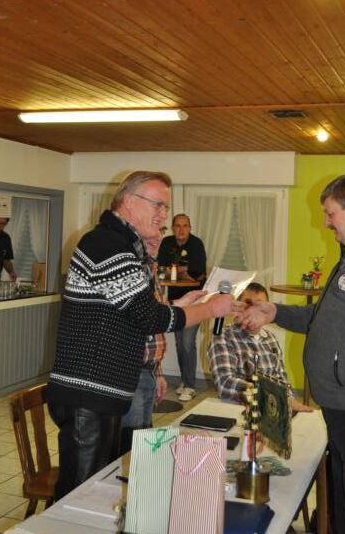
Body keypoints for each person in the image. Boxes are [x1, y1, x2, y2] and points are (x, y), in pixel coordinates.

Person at [46, 171, 242, 500]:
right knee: (78, 498)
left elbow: (132, 312)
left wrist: (180, 304)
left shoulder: (123, 245)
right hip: (87, 394)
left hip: (101, 392)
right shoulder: (107, 244)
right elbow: (149, 318)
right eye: (158, 205)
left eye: (166, 207)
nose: (164, 215)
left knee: (98, 490)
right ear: (128, 202)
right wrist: (210, 309)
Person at [241, 175, 345, 534]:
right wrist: (275, 312)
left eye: (331, 214)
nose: (327, 223)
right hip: (344, 412)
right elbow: (325, 318)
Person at [207, 282, 311, 413]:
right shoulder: (223, 337)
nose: (252, 310)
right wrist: (269, 395)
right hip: (238, 409)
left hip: (272, 409)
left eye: (259, 305)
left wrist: (289, 400)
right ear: (238, 307)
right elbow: (224, 384)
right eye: (248, 303)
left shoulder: (271, 339)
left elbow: (281, 379)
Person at [119, 230, 168, 455]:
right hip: (131, 373)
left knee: (144, 441)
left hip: (148, 371)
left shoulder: (151, 270)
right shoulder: (130, 273)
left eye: (161, 231)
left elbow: (153, 329)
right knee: (133, 449)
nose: (157, 237)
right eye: (151, 233)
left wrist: (158, 373)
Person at [157, 213, 207, 402]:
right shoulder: (166, 243)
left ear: (190, 228)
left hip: (195, 300)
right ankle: (185, 381)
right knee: (179, 342)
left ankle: (190, 385)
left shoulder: (196, 244)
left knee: (187, 342)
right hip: (176, 300)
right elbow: (160, 269)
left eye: (185, 226)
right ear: (172, 228)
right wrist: (181, 270)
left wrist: (175, 270)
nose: (181, 229)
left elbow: (197, 271)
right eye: (177, 226)